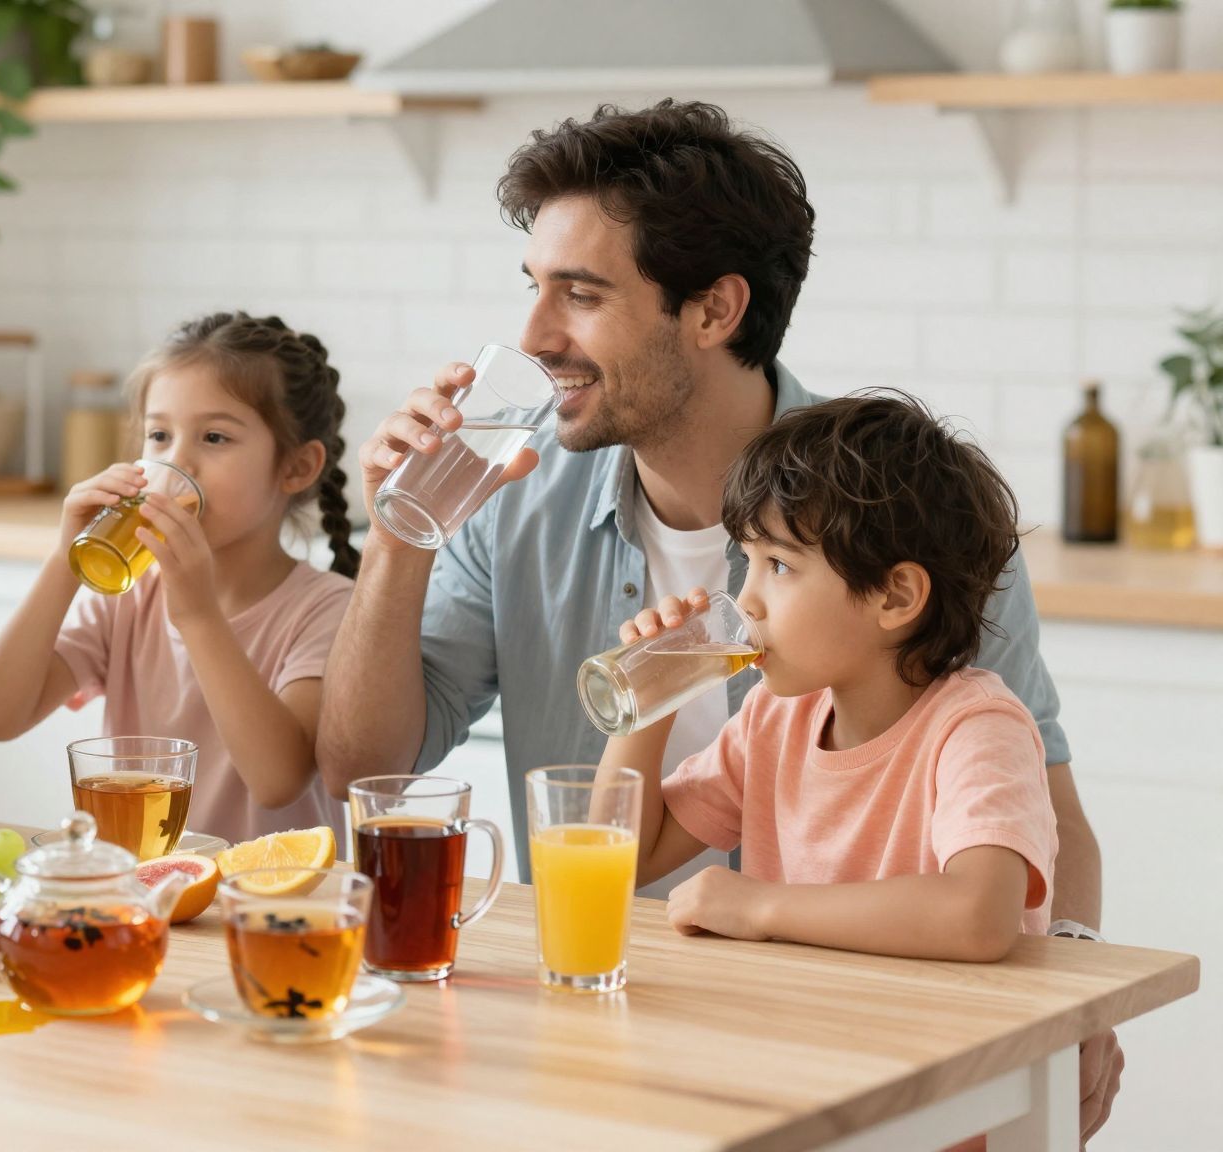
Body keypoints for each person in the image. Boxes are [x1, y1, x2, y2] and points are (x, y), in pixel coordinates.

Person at [315, 100, 1121, 1138]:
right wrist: (399, 530)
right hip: (608, 1026)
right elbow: (359, 769)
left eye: (581, 293)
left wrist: (1074, 993)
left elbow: (1045, 830)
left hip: (863, 1050)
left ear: (711, 310)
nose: (531, 336)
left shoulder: (910, 526)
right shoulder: (506, 497)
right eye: (533, 288)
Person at [608, 393, 1057, 965]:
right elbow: (618, 860)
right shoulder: (774, 722)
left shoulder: (978, 731)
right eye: (748, 562)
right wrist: (648, 699)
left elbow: (979, 916)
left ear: (895, 596)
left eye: (780, 566)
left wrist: (762, 908)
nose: (746, 601)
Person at [0, 311, 359, 841]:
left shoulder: (328, 609)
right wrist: (64, 562)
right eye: (158, 435)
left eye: (215, 438)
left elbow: (277, 781)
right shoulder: (126, 596)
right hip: (142, 897)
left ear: (295, 468)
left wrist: (198, 615)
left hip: (266, 905)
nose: (178, 463)